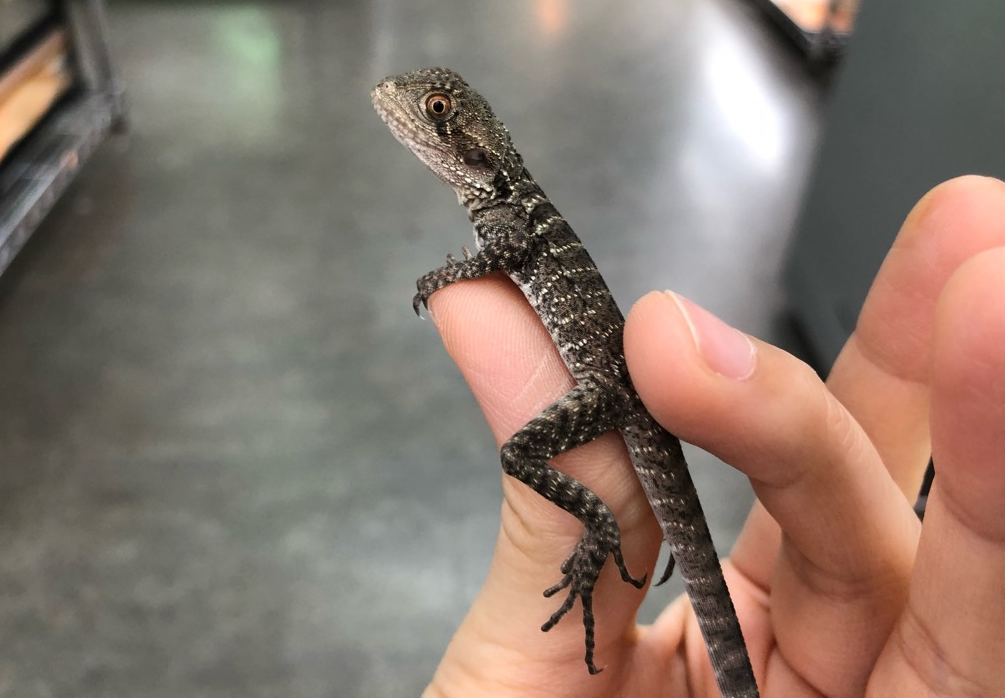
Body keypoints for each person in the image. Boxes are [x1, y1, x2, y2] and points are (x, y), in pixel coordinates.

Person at [417, 176, 1005, 697]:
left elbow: (507, 252)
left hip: (610, 389)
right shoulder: (506, 206)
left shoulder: (507, 209)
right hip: (617, 385)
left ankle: (598, 524)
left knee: (522, 453)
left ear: (475, 148)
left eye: (438, 109)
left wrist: (454, 272)